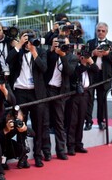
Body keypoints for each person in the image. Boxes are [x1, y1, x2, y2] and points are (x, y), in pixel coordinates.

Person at [6, 29, 48, 168]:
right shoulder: (17, 51)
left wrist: (34, 51)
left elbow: (43, 68)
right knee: (20, 125)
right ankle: (22, 157)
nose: (29, 40)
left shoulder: (40, 51)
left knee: (38, 125)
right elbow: (7, 60)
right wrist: (19, 45)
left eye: (31, 38)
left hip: (36, 93)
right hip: (20, 92)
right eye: (26, 37)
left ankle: (37, 156)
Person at [44, 25, 78, 160]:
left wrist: (63, 55)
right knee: (45, 122)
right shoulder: (50, 55)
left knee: (59, 122)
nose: (63, 46)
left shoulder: (72, 57)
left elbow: (69, 72)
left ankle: (61, 150)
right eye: (60, 43)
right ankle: (46, 152)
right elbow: (45, 69)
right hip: (47, 90)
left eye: (65, 44)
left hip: (60, 92)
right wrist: (53, 50)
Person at [84, 22, 112, 131]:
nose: (100, 32)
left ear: (106, 32)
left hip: (105, 76)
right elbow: (83, 57)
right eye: (99, 30)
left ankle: (101, 121)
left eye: (103, 31)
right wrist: (93, 53)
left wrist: (107, 54)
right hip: (91, 74)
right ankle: (88, 122)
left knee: (102, 100)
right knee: (89, 99)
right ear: (96, 31)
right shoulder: (90, 43)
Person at [66, 50, 99, 156]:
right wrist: (83, 64)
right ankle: (70, 146)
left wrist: (91, 61)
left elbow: (96, 70)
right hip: (74, 95)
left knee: (81, 120)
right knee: (73, 121)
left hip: (85, 94)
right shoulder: (74, 63)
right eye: (82, 55)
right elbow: (74, 75)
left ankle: (78, 144)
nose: (84, 57)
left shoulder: (89, 64)